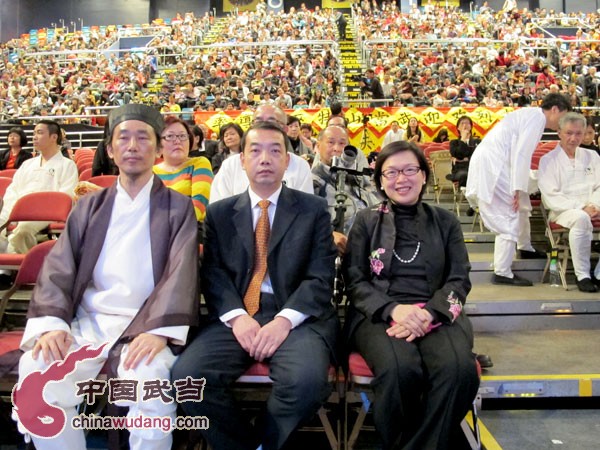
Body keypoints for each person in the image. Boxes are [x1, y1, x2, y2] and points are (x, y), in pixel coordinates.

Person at [13, 104, 198, 450]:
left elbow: (181, 271)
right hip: (89, 325)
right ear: (110, 150)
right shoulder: (88, 207)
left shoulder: (177, 207)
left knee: (150, 383)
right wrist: (53, 324)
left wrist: (159, 331)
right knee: (36, 371)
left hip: (145, 327)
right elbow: (59, 267)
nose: (132, 146)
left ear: (158, 149)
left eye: (143, 138)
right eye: (123, 138)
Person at [171, 121, 338, 450]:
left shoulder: (313, 210)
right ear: (241, 160)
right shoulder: (219, 214)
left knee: (306, 382)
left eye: (275, 150)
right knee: (188, 379)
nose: (265, 158)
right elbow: (214, 273)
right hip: (238, 311)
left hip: (295, 316)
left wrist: (283, 321)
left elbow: (320, 276)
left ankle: (265, 441)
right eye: (255, 151)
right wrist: (237, 318)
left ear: (287, 161)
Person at [344, 141, 479, 450]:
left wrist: (429, 313)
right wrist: (394, 310)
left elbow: (460, 278)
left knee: (458, 370)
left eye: (409, 170)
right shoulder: (365, 221)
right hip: (379, 315)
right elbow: (354, 281)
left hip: (437, 313)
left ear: (423, 175)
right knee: (399, 369)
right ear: (379, 180)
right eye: (391, 172)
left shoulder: (446, 222)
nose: (401, 179)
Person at [466, 93, 572, 286]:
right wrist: (518, 188)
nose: (562, 121)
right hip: (495, 166)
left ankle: (525, 247)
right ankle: (502, 272)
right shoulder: (536, 118)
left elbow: (519, 154)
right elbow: (522, 154)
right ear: (555, 109)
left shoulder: (532, 116)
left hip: (496, 163)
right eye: (563, 115)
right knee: (509, 213)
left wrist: (520, 189)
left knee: (522, 206)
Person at [538, 113, 600, 292]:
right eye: (569, 133)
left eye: (578, 133)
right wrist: (582, 208)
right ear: (559, 132)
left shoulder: (592, 156)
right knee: (581, 218)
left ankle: (598, 274)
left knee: (584, 216)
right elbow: (551, 196)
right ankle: (583, 275)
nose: (574, 138)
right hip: (563, 211)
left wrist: (595, 206)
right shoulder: (548, 160)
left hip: (593, 207)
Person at [0, 120, 78, 256]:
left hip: (47, 213)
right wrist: (8, 214)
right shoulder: (27, 164)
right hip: (19, 211)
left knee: (23, 230)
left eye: (40, 133)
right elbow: (13, 191)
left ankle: (19, 269)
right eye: (34, 133)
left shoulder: (67, 165)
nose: (34, 137)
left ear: (54, 137)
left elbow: (66, 196)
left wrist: (37, 209)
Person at [209, 104, 313, 203]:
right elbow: (220, 212)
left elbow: (304, 213)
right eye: (258, 122)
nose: (263, 127)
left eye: (271, 122)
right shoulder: (230, 165)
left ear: (285, 129)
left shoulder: (300, 166)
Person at [312, 125, 379, 254]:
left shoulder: (357, 181)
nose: (337, 148)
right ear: (318, 146)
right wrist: (329, 235)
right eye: (331, 142)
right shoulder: (312, 183)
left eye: (342, 143)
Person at [153, 116, 213, 229]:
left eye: (182, 136)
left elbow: (200, 205)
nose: (177, 141)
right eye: (170, 136)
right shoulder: (151, 172)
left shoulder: (199, 163)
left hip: (190, 230)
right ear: (158, 144)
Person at [449, 115, 480, 187]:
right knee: (465, 175)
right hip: (460, 169)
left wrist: (466, 159)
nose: (465, 125)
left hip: (476, 168)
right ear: (458, 128)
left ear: (471, 126)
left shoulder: (477, 141)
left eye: (467, 123)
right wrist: (463, 139)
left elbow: (478, 156)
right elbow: (458, 155)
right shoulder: (454, 142)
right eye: (462, 123)